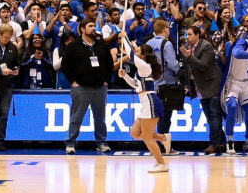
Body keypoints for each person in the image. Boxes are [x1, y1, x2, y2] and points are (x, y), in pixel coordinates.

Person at [61, 15, 113, 154]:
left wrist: (106, 79)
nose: (93, 28)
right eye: (90, 26)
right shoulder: (73, 46)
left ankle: (101, 142)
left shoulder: (101, 45)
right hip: (81, 87)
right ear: (82, 29)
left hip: (100, 87)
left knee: (100, 117)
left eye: (94, 26)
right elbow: (65, 65)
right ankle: (71, 143)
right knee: (77, 116)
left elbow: (109, 64)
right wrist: (73, 81)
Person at [117, 35, 169, 173]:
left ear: (144, 55)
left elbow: (130, 54)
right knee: (135, 133)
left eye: (138, 51)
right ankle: (162, 138)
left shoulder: (145, 66)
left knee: (147, 137)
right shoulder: (143, 69)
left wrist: (125, 38)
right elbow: (136, 85)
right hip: (146, 103)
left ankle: (161, 163)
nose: (136, 52)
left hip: (150, 103)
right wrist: (125, 76)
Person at [179, 24, 227, 155]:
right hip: (199, 86)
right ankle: (222, 142)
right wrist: (187, 85)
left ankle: (214, 144)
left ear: (197, 35)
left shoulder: (206, 46)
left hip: (212, 84)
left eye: (189, 34)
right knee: (209, 117)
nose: (187, 37)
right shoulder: (187, 48)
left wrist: (189, 57)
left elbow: (203, 66)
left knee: (215, 116)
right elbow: (187, 69)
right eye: (186, 35)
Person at [147, 19, 183, 154]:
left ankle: (155, 145)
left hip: (152, 84)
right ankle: (163, 146)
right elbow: (172, 64)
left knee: (155, 117)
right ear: (166, 29)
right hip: (166, 85)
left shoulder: (148, 43)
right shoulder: (166, 44)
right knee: (166, 117)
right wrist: (182, 70)